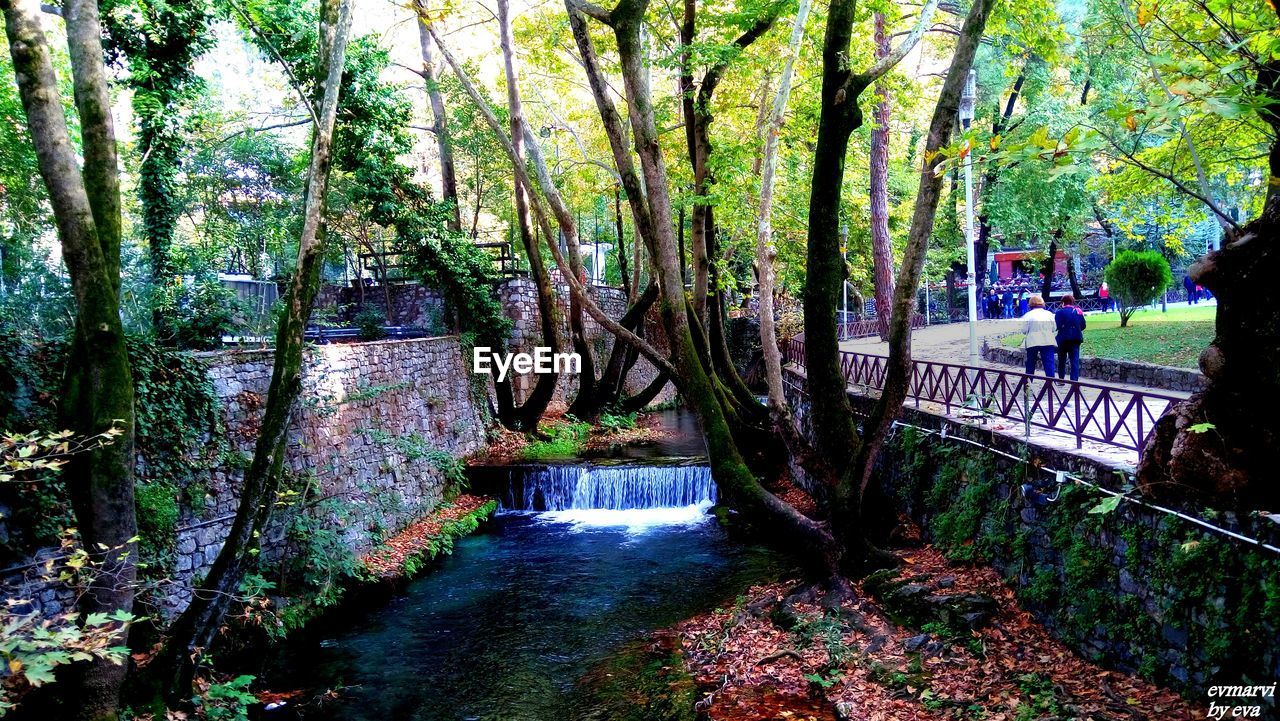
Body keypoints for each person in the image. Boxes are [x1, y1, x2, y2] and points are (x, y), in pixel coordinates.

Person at [1022, 295, 1057, 377]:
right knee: (1049, 364)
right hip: (1047, 340)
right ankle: (1051, 386)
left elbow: (1024, 330)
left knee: (1030, 364)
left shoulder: (1028, 315)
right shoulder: (1049, 314)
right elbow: (1054, 328)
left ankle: (1028, 385)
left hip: (1032, 341)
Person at [1054, 294, 1086, 381]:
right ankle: (1074, 381)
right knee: (1074, 361)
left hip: (1063, 339)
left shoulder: (1059, 312)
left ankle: (1061, 379)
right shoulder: (1078, 312)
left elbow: (1057, 326)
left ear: (1063, 303)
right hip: (1076, 339)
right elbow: (1083, 325)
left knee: (1062, 360)